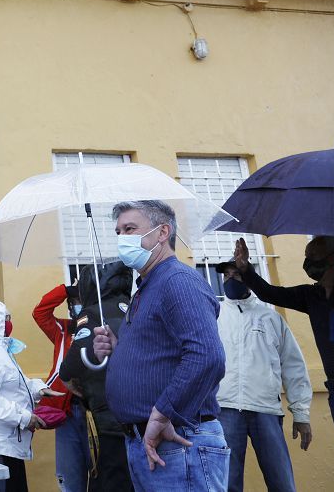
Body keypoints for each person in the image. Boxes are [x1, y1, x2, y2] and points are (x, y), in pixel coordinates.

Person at [92, 200, 228, 492]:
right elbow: (161, 352)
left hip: (178, 440)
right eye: (118, 232)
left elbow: (207, 356)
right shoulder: (148, 285)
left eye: (130, 229)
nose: (122, 239)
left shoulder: (177, 280)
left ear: (162, 232)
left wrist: (162, 413)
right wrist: (118, 349)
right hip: (153, 442)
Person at [214, 258, 312, 492]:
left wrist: (301, 413)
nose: (230, 279)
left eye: (236, 274)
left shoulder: (270, 318)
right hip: (224, 410)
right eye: (226, 275)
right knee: (226, 485)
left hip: (265, 410)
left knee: (282, 483)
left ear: (249, 279)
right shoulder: (213, 317)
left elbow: (293, 365)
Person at [232, 235, 334, 437]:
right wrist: (246, 268)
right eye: (306, 256)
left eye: (313, 256)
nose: (308, 262)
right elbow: (269, 294)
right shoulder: (312, 296)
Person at [0, 297, 63, 492]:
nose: (9, 323)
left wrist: (38, 389)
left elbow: (14, 381)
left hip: (7, 441)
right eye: (5, 318)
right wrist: (25, 417)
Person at [60, 261, 135, 491]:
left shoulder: (92, 314)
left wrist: (80, 390)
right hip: (144, 421)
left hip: (110, 422)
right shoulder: (134, 308)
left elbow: (70, 369)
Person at [33, 281, 90, 492]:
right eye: (72, 303)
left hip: (96, 411)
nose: (75, 306)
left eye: (79, 301)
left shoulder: (104, 327)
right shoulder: (63, 330)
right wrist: (66, 290)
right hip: (67, 410)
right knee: (70, 477)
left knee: (100, 475)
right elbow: (40, 312)